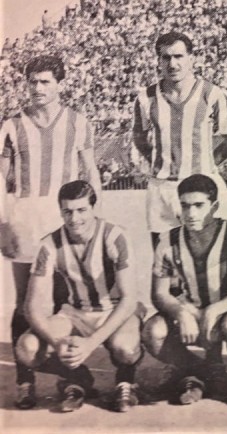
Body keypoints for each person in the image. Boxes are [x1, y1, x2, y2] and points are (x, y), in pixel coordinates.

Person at [0, 55, 101, 410]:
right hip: (26, 218)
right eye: (33, 81)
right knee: (24, 303)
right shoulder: (12, 125)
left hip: (64, 218)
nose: (38, 88)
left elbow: (90, 173)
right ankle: (25, 381)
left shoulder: (77, 122)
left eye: (45, 81)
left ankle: (70, 380)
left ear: (60, 83)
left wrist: (94, 221)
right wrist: (3, 222)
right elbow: (1, 177)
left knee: (63, 301)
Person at [14, 180, 145, 412]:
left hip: (114, 310)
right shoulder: (49, 244)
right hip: (75, 313)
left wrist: (90, 344)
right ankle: (77, 375)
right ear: (60, 211)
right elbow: (31, 307)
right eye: (68, 211)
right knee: (27, 348)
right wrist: (57, 343)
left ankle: (126, 380)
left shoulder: (115, 236)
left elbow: (128, 300)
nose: (74, 219)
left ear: (94, 208)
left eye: (81, 210)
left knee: (126, 348)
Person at [142, 174, 227, 407]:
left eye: (198, 205)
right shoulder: (167, 239)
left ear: (214, 207)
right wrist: (181, 313)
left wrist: (215, 309)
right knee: (152, 332)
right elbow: (159, 293)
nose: (191, 213)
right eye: (185, 205)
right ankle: (198, 371)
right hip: (190, 310)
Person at [133, 31, 227, 248]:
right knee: (163, 256)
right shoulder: (146, 98)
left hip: (201, 185)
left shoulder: (212, 94)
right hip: (162, 189)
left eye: (178, 56)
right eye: (166, 57)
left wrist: (207, 164)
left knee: (207, 255)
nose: (172, 64)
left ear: (192, 58)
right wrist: (160, 161)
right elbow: (139, 137)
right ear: (158, 61)